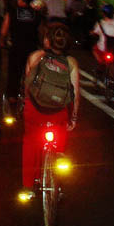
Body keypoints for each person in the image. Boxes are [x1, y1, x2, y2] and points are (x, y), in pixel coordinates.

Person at [20, 23, 80, 199]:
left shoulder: (35, 57)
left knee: (30, 142)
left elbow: (27, 86)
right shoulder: (71, 63)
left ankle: (28, 186)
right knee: (59, 141)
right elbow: (75, 94)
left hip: (35, 110)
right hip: (58, 112)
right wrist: (73, 118)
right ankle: (56, 180)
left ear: (47, 41)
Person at [0, 0, 42, 109]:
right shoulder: (36, 14)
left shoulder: (12, 12)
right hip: (32, 48)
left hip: (17, 47)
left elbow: (4, 30)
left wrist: (2, 40)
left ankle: (12, 96)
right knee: (32, 73)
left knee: (14, 72)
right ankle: (30, 95)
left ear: (22, 1)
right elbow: (41, 31)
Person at [90, 4, 114, 78]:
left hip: (104, 48)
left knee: (94, 49)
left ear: (103, 13)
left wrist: (91, 33)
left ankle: (102, 63)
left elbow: (94, 32)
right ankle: (112, 79)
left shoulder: (101, 23)